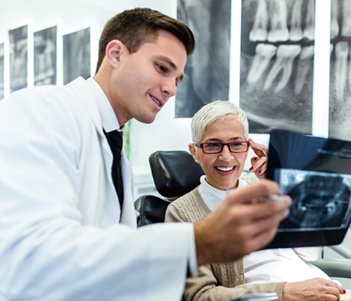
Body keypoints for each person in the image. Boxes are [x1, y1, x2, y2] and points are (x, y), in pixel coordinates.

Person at [0, 8, 291, 301]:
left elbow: (118, 274)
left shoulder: (117, 159)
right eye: (162, 68)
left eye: (177, 79)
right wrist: (198, 243)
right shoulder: (41, 111)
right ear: (115, 54)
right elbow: (30, 262)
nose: (171, 90)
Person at [165, 100, 347, 301]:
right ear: (195, 152)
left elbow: (309, 254)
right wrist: (283, 293)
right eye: (213, 145)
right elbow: (201, 295)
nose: (226, 157)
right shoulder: (181, 212)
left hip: (326, 291)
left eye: (236, 144)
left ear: (247, 147)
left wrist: (283, 185)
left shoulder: (261, 186)